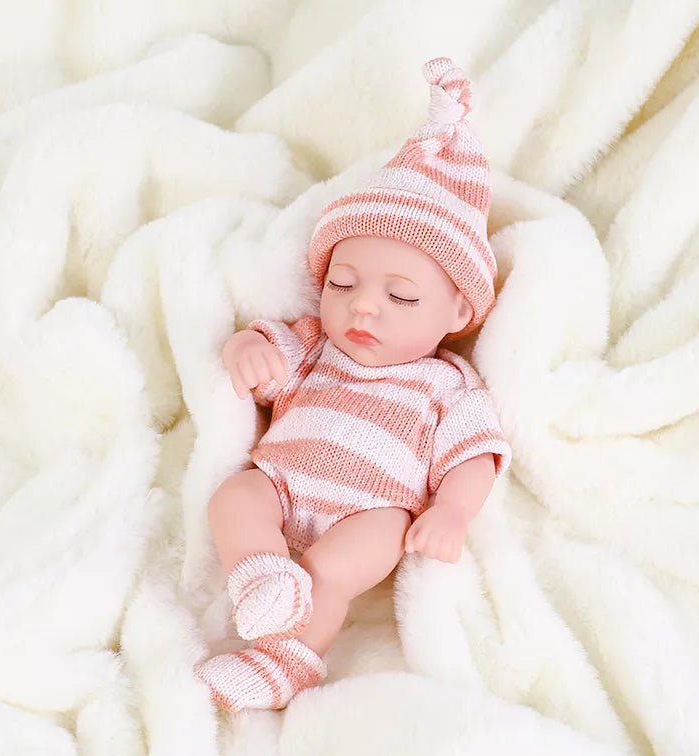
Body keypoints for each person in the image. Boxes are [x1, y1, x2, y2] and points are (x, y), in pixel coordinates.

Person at [194, 56, 512, 712]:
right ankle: (260, 573)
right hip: (282, 483)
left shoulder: (447, 384)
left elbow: (475, 455)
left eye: (401, 296)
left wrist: (452, 512)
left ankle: (285, 663)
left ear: (458, 312)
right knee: (235, 497)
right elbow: (265, 354)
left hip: (372, 513)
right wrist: (246, 349)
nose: (363, 306)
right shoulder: (317, 341)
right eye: (343, 283)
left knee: (332, 572)